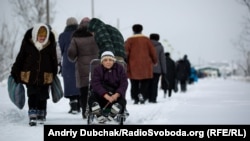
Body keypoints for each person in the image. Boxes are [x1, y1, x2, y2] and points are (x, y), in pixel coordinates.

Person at [10, 23, 58, 126]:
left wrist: (54, 73)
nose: (42, 38)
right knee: (32, 94)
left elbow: (54, 60)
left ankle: (41, 113)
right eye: (40, 36)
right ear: (35, 35)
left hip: (45, 76)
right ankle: (32, 114)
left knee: (43, 96)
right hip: (30, 75)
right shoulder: (28, 44)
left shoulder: (50, 44)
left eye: (44, 36)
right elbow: (20, 58)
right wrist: (15, 71)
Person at [67, 17, 99, 119]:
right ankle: (96, 110)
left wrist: (75, 58)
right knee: (97, 90)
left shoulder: (76, 38)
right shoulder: (97, 36)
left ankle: (85, 112)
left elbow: (71, 54)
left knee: (84, 92)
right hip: (97, 67)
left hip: (82, 68)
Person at [88, 51, 128, 122]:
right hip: (101, 95)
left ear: (113, 61)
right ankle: (97, 111)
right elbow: (96, 84)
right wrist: (105, 95)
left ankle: (114, 112)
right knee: (92, 98)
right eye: (105, 60)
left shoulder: (120, 69)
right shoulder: (98, 69)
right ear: (102, 62)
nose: (108, 62)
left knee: (122, 101)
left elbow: (124, 83)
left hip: (115, 95)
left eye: (110, 60)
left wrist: (116, 94)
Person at [125, 24, 158, 104]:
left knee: (134, 83)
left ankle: (135, 98)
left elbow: (125, 53)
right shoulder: (147, 40)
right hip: (145, 65)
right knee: (145, 82)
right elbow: (153, 52)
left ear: (133, 30)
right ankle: (142, 94)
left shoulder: (129, 40)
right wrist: (155, 61)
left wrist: (126, 62)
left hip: (133, 65)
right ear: (141, 30)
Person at [58, 17, 80, 114]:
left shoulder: (62, 36)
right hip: (80, 62)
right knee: (80, 84)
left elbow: (60, 50)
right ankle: (80, 106)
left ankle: (74, 106)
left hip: (68, 63)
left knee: (70, 85)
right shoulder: (81, 34)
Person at [148, 33, 167, 103]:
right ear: (158, 38)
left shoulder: (146, 45)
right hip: (157, 69)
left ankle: (147, 97)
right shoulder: (160, 47)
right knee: (155, 84)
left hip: (147, 69)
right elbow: (162, 59)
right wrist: (164, 71)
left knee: (148, 83)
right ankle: (153, 98)